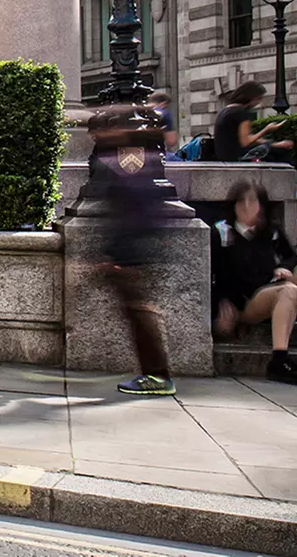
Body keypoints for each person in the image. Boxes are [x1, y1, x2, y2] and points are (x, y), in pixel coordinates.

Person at [84, 102, 177, 397]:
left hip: (133, 255)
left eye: (100, 130)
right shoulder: (131, 160)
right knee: (139, 315)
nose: (96, 136)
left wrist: (119, 256)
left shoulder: (127, 164)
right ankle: (155, 374)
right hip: (132, 252)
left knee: (140, 317)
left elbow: (136, 213)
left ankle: (157, 376)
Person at [213, 181, 297, 386]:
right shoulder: (223, 232)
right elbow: (214, 272)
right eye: (242, 201)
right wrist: (222, 301)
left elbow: (292, 258)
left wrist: (282, 268)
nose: (247, 206)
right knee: (289, 291)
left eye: (253, 201)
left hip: (274, 288)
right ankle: (279, 360)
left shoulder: (270, 231)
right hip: (248, 301)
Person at [211, 82, 292, 163]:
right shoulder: (241, 113)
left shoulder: (224, 111)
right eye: (258, 98)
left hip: (224, 157)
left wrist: (277, 144)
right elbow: (246, 142)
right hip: (238, 157)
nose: (258, 103)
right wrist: (267, 129)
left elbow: (248, 137)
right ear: (250, 97)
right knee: (279, 154)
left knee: (272, 148)